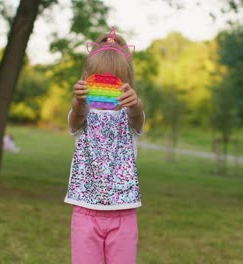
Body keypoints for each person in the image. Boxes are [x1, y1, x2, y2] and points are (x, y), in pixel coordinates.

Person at [64, 26, 145, 264]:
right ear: (86, 81)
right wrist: (79, 102)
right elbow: (75, 117)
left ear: (127, 84)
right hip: (85, 211)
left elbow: (138, 117)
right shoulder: (83, 113)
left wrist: (136, 104)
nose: (107, 87)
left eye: (114, 82)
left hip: (124, 212)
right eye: (100, 81)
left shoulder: (130, 117)